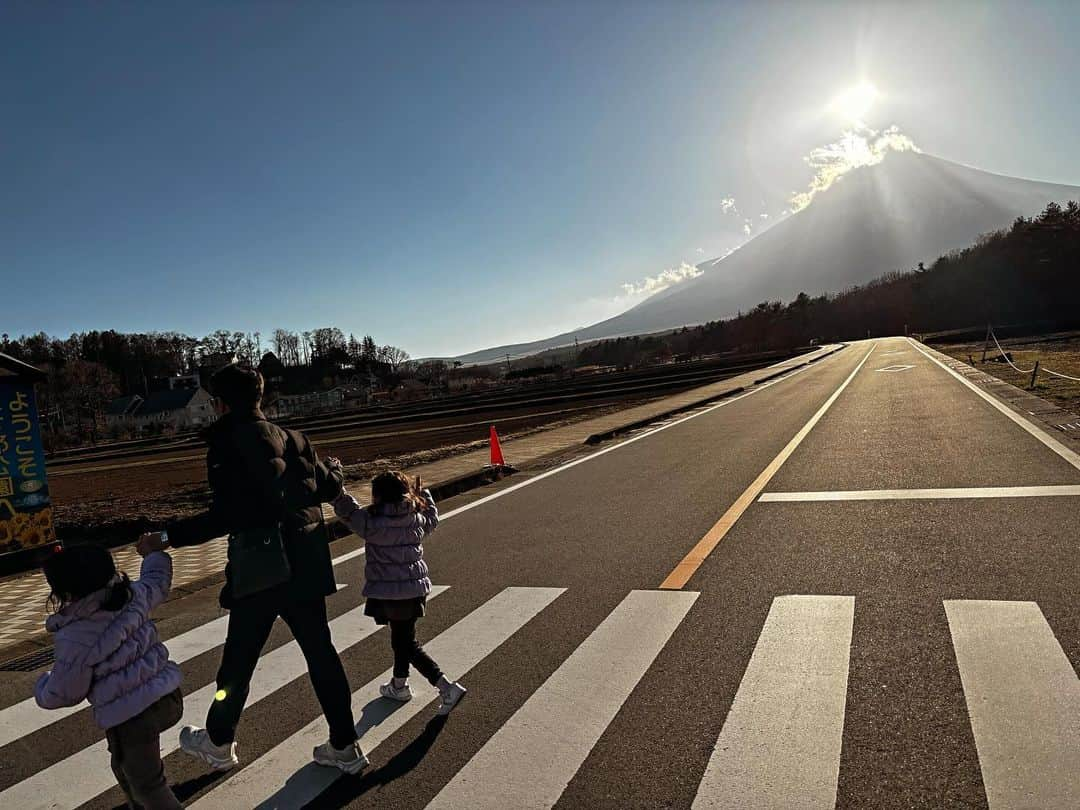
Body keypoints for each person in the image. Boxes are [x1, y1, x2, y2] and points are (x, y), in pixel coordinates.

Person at [137, 364, 366, 775]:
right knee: (321, 655)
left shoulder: (228, 443)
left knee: (239, 661)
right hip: (308, 560)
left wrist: (166, 538)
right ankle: (345, 744)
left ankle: (219, 740)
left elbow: (226, 514)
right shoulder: (295, 438)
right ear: (260, 396)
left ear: (221, 403)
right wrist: (335, 469)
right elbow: (329, 488)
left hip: (262, 568)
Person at [36, 544, 183, 810]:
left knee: (148, 786)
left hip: (131, 719)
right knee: (126, 767)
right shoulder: (132, 595)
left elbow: (66, 692)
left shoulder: (76, 636)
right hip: (168, 697)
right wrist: (153, 554)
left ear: (66, 593)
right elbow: (157, 580)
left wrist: (43, 686)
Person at [331, 470, 466, 714]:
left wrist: (336, 487)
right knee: (402, 638)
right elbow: (432, 518)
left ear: (377, 496)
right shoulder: (415, 517)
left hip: (391, 593)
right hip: (415, 589)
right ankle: (399, 684)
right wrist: (423, 493)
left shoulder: (370, 522)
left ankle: (446, 686)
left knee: (406, 643)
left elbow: (346, 510)